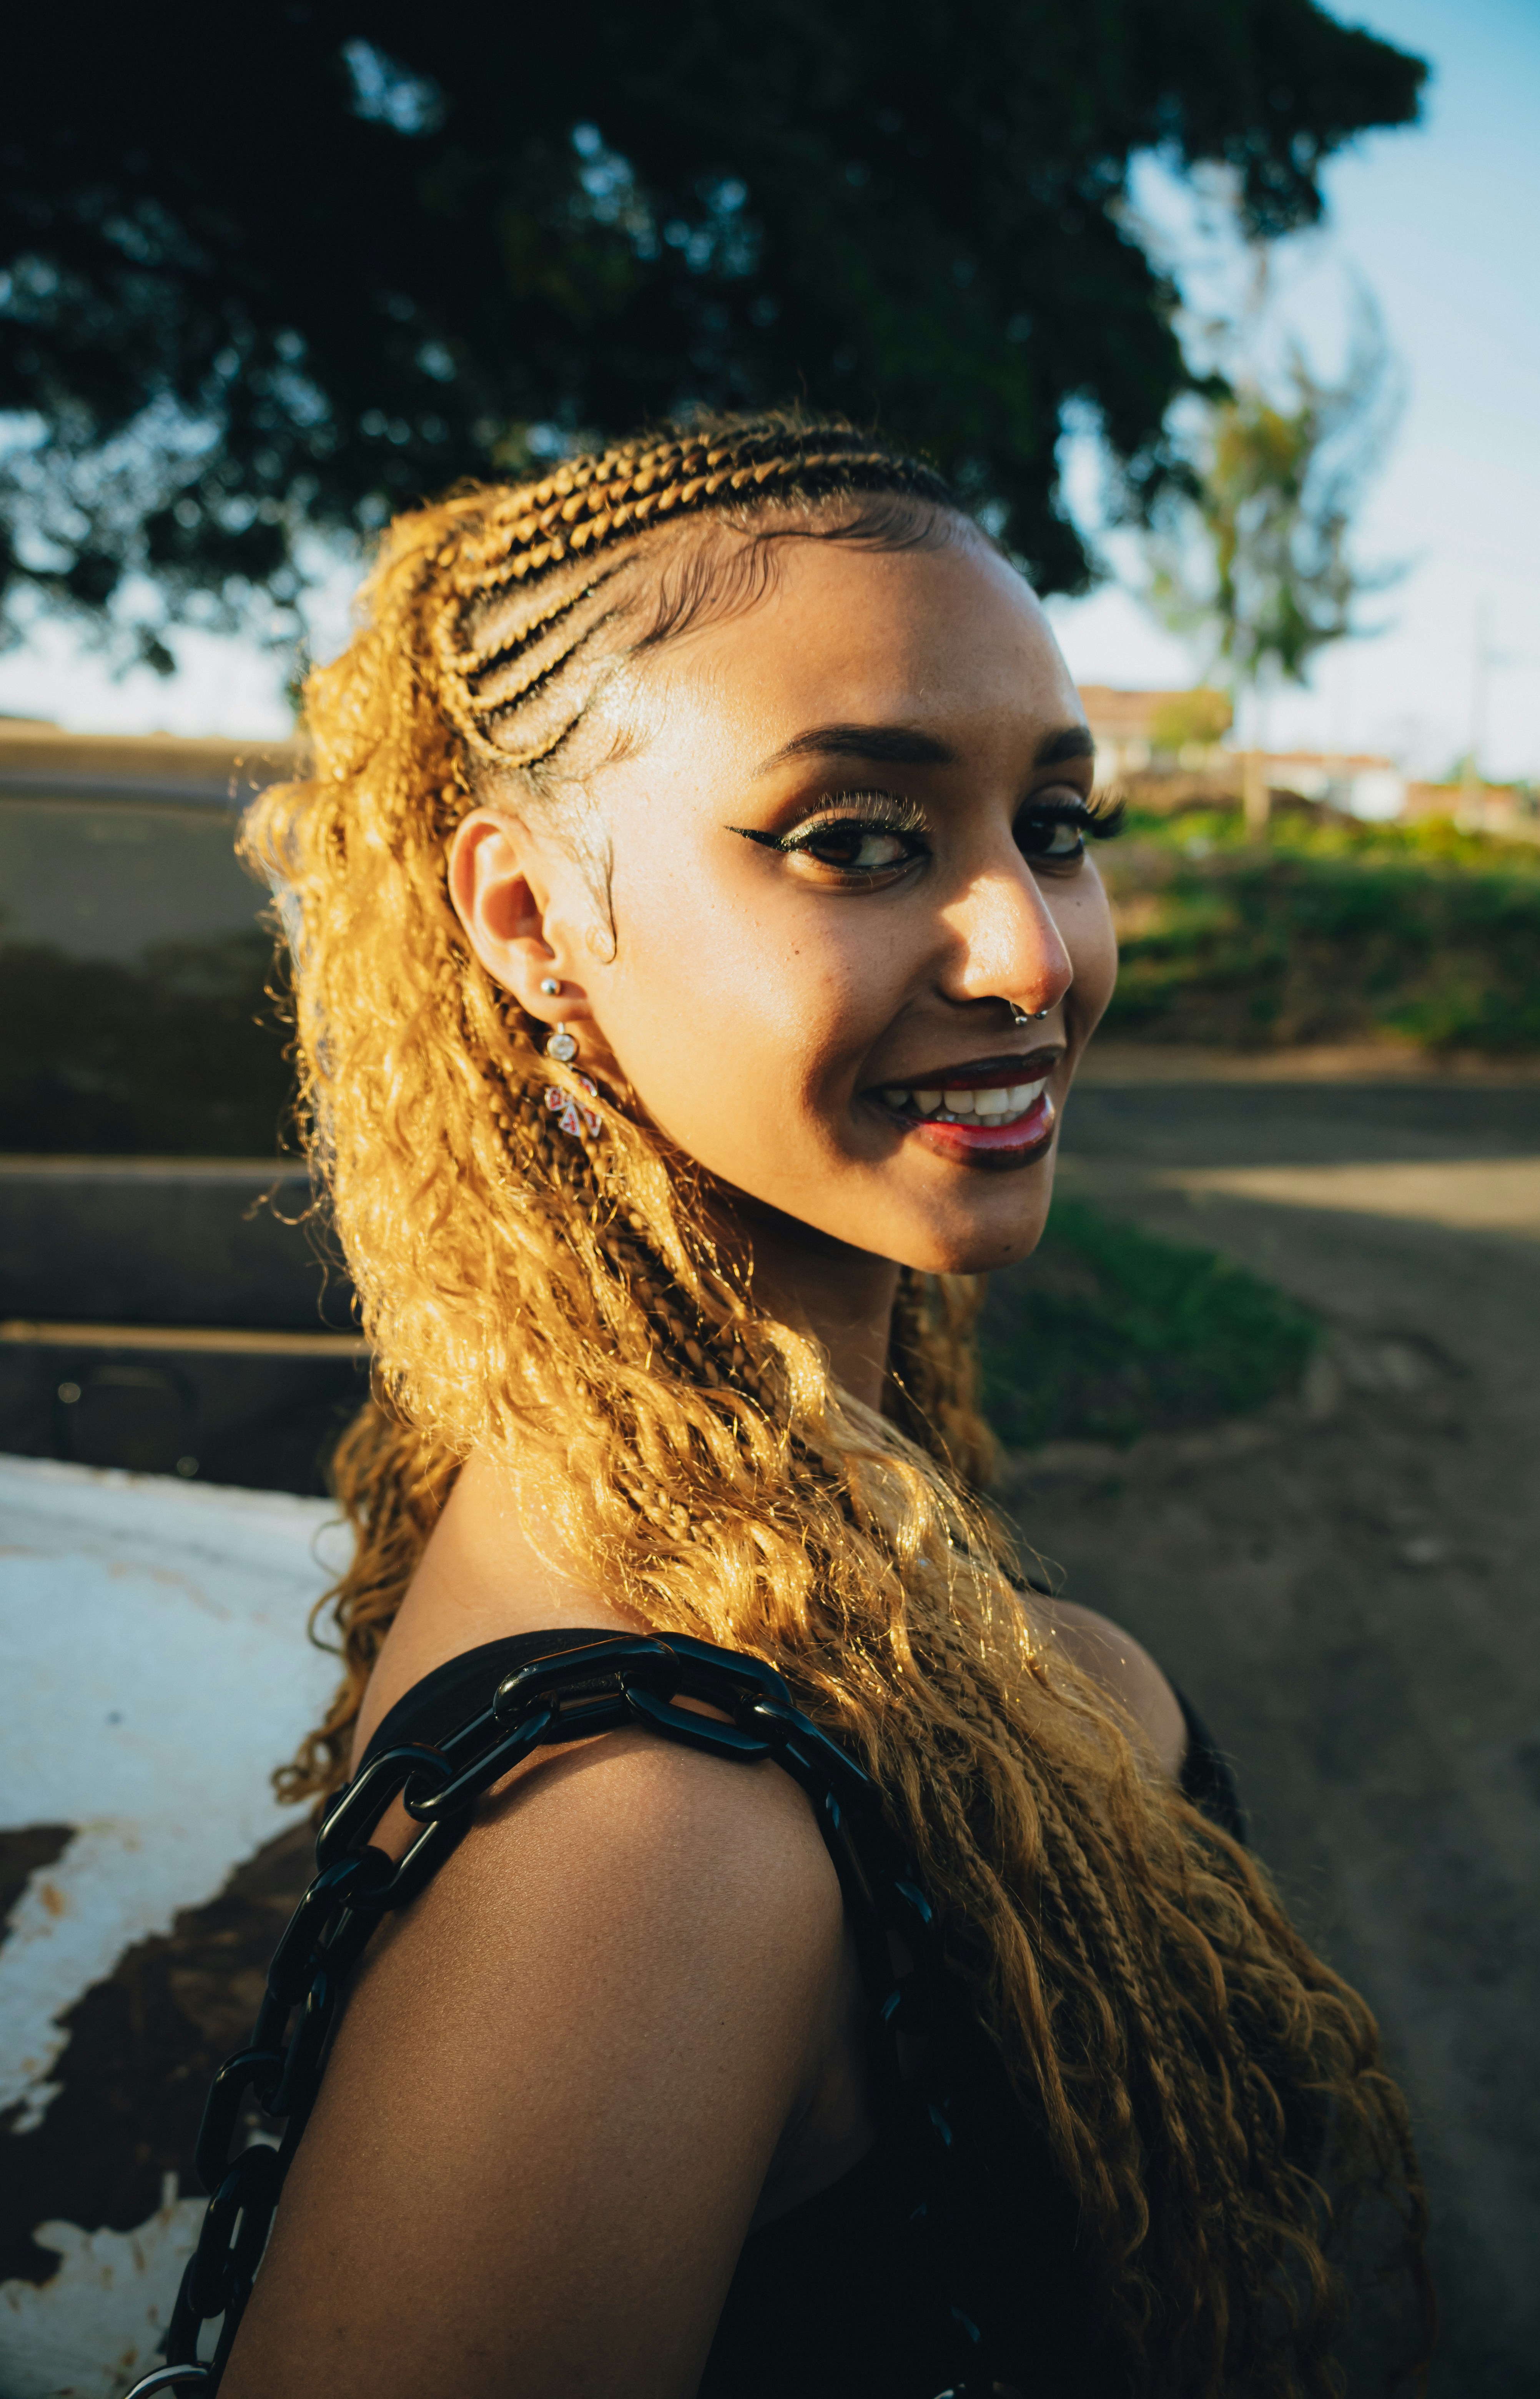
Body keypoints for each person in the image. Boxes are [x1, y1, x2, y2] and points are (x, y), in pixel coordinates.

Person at [217, 413, 1428, 2397]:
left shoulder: (710, 1513)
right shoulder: (652, 1839)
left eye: (1058, 824)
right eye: (859, 840)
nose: (1032, 951)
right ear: (525, 922)